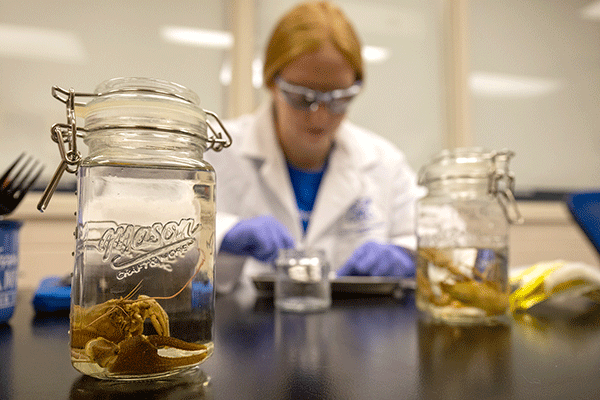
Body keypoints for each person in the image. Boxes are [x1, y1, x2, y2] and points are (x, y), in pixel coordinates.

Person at [206, 0, 423, 293]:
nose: (319, 115)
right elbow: (156, 246)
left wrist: (407, 256)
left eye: (338, 99)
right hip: (244, 332)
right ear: (271, 81)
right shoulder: (216, 153)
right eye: (301, 97)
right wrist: (224, 233)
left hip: (355, 335)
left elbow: (437, 240)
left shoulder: (385, 163)